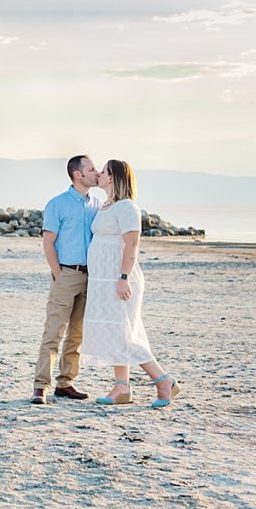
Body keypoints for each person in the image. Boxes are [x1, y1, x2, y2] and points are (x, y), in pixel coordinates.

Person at [81, 159, 182, 408]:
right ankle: (122, 386)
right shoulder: (106, 206)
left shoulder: (127, 207)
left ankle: (163, 380)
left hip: (121, 279)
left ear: (114, 178)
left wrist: (123, 277)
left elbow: (132, 244)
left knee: (127, 333)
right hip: (103, 281)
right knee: (117, 331)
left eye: (104, 172)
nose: (99, 175)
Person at [31, 154, 102, 404]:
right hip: (66, 274)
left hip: (90, 276)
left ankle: (66, 382)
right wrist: (58, 274)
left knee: (77, 333)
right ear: (77, 175)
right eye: (92, 169)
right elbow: (48, 242)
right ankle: (41, 386)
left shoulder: (97, 204)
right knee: (54, 331)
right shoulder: (57, 204)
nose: (97, 172)